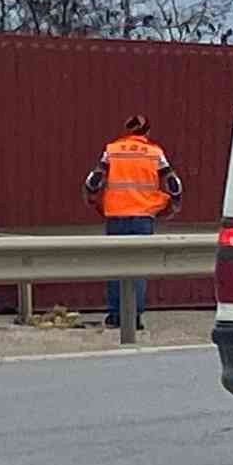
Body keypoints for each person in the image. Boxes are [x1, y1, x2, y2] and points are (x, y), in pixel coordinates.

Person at [83, 114, 183, 330]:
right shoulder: (155, 153)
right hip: (143, 217)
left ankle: (115, 315)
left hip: (115, 215)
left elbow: (94, 180)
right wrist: (175, 203)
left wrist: (92, 198)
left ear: (127, 131)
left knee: (115, 264)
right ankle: (134, 316)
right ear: (147, 132)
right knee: (138, 265)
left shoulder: (112, 150)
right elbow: (174, 182)